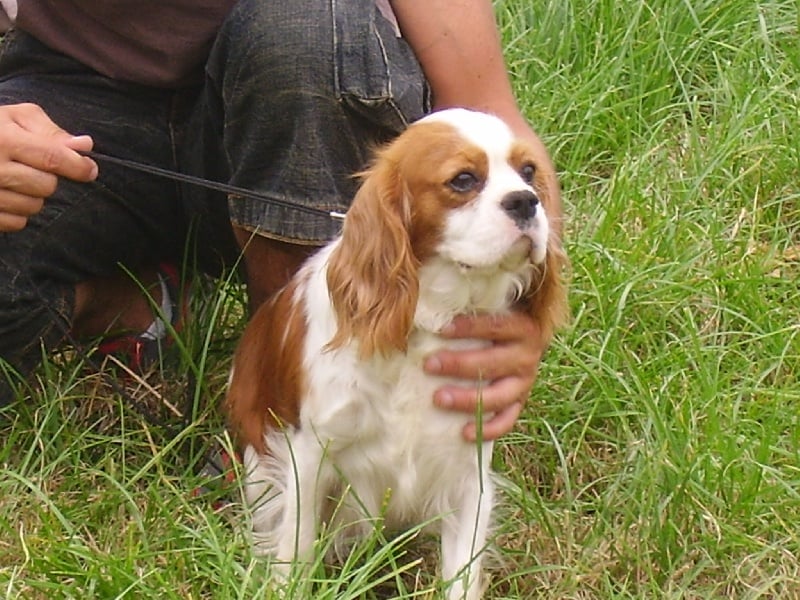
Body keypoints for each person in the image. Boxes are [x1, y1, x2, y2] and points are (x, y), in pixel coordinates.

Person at [0, 0, 561, 442]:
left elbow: (491, 115)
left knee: (299, 29)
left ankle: (290, 418)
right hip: (70, 104)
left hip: (300, 100)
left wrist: (521, 319)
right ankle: (124, 300)